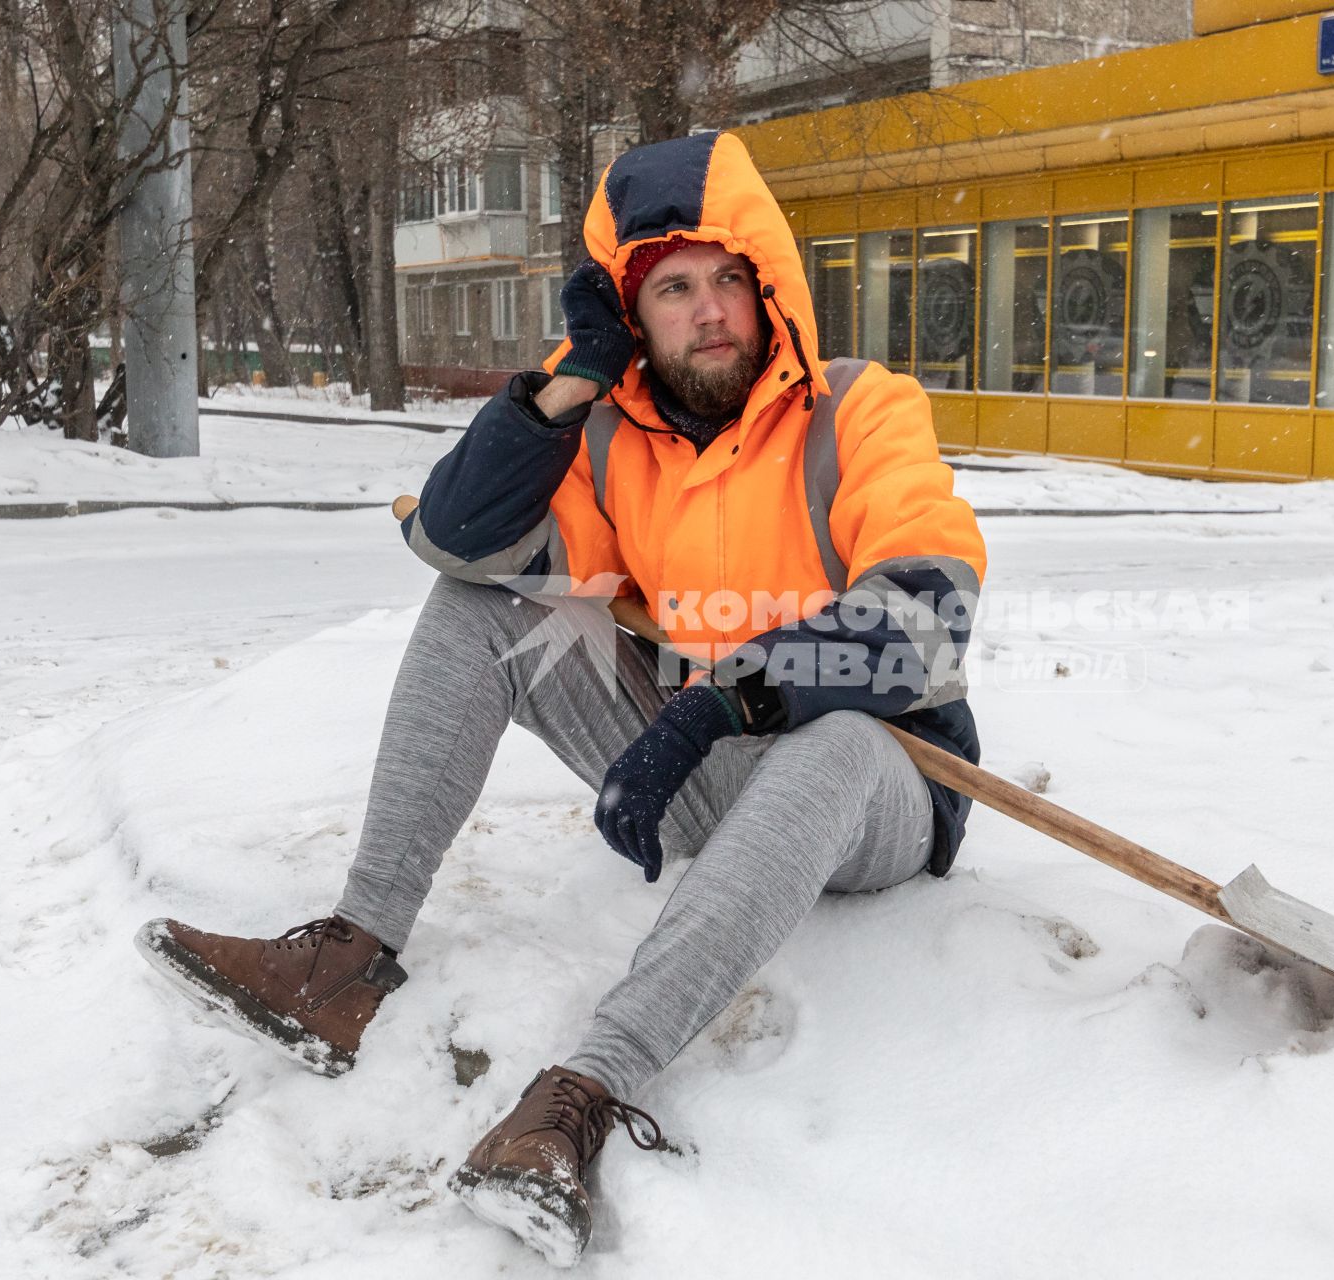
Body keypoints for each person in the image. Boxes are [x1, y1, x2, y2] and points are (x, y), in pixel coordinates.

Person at [134, 130, 985, 1267]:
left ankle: (579, 1094)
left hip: (883, 780)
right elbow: (456, 539)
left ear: (770, 283)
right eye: (672, 289)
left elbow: (927, 624)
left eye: (730, 277)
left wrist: (725, 697)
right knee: (478, 607)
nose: (711, 310)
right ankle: (346, 960)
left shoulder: (859, 411)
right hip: (711, 768)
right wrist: (562, 387)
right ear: (632, 314)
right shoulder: (617, 433)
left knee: (827, 742)